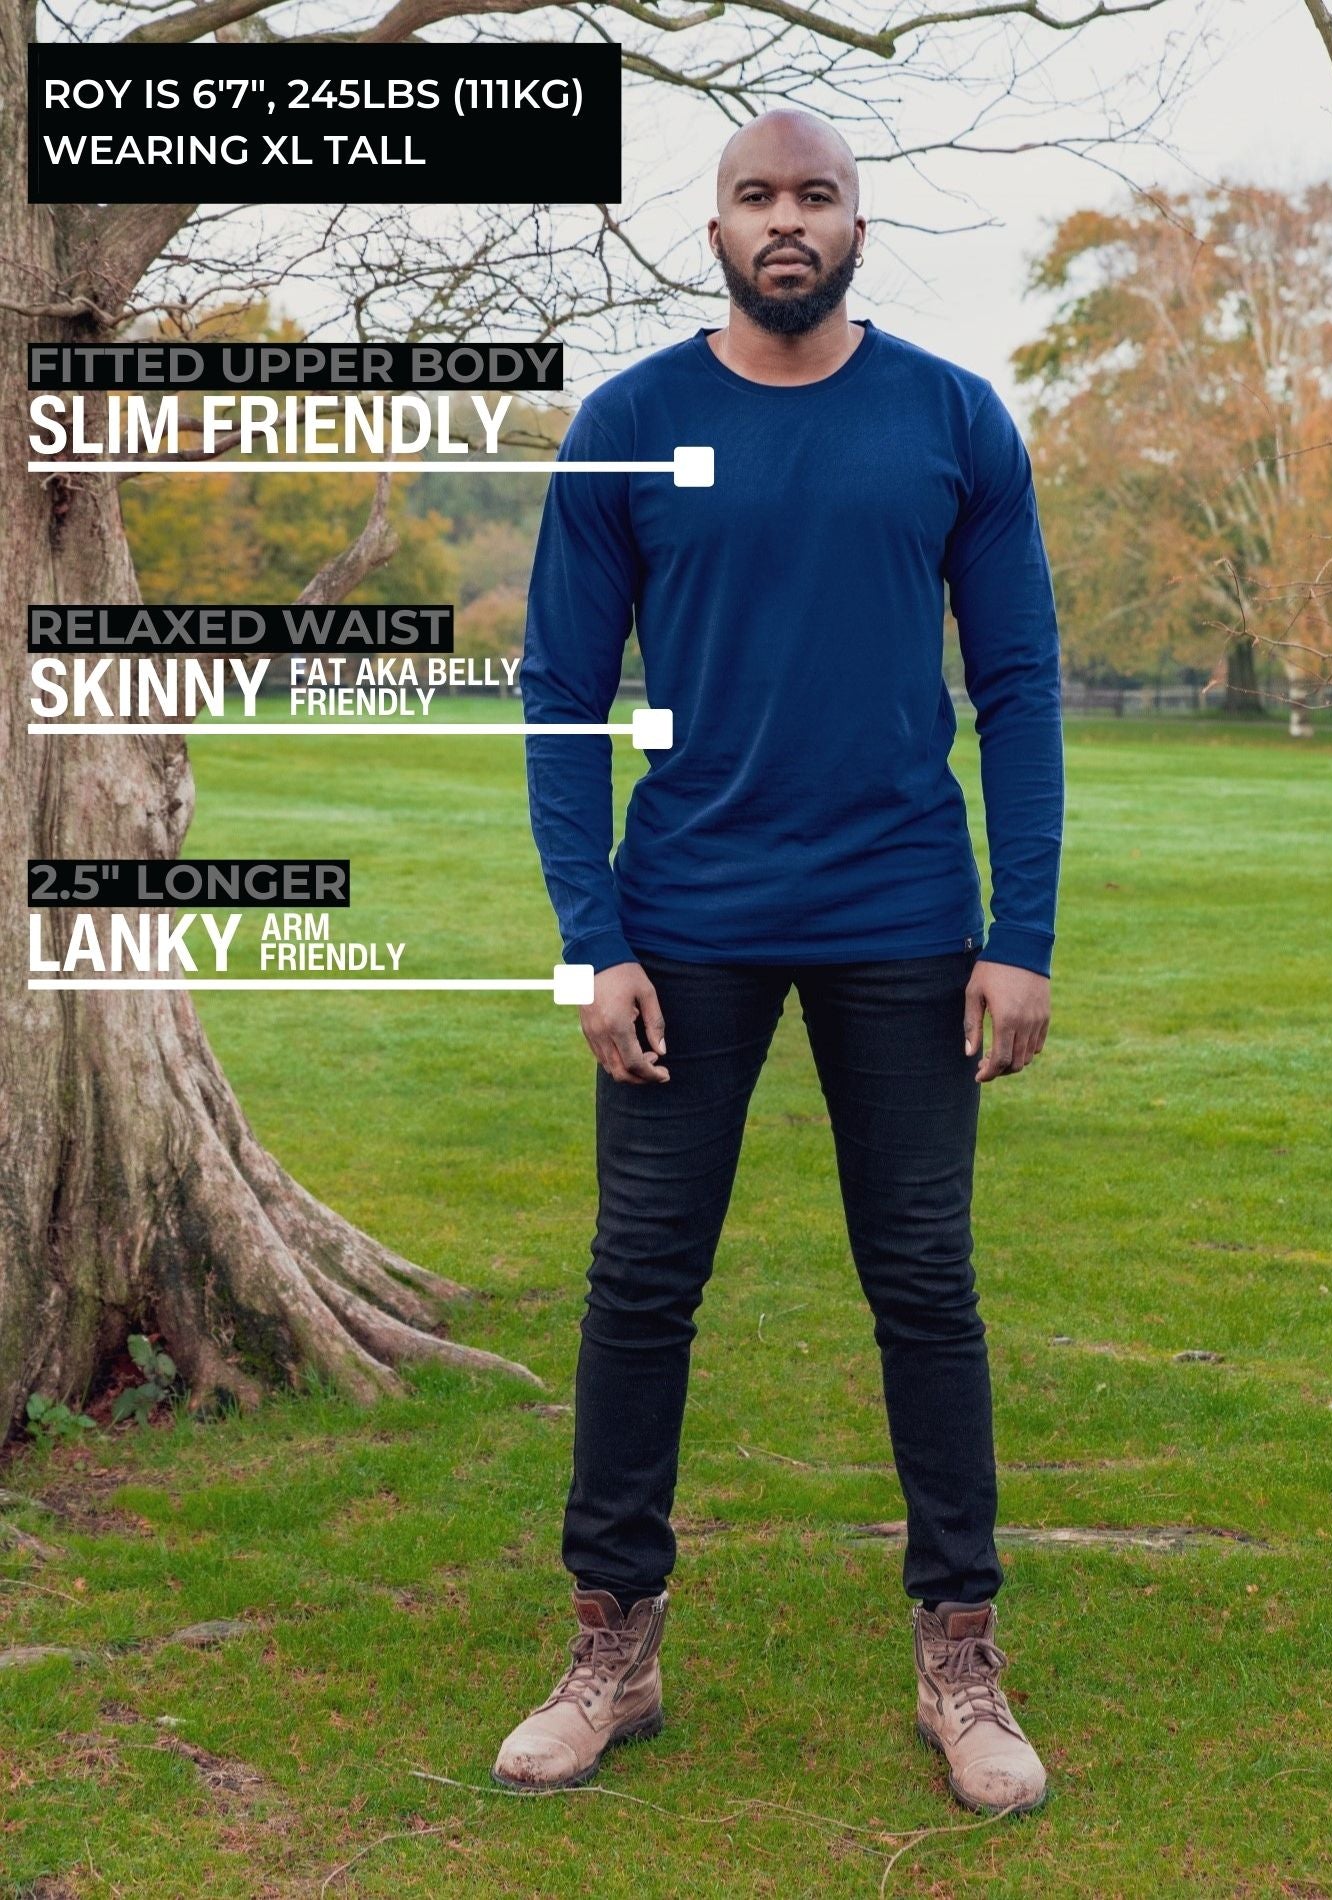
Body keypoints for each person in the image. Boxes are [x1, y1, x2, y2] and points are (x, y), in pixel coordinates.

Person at [493, 105, 1063, 1819]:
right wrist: (593, 944)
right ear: (718, 224)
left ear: (859, 223)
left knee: (925, 1291)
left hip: (905, 919)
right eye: (759, 196)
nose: (788, 221)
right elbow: (561, 699)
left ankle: (960, 1653)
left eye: (816, 195)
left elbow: (1022, 688)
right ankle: (616, 1647)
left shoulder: (953, 419)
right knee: (642, 1287)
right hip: (689, 927)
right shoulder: (634, 422)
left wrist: (1019, 936)